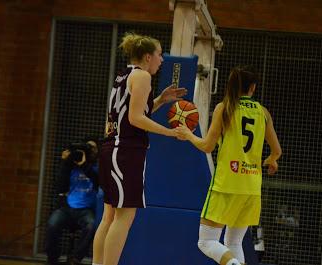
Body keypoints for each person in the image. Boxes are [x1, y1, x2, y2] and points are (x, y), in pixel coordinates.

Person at [92, 32, 187, 265]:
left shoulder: (124, 74)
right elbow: (136, 119)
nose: (162, 59)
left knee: (110, 216)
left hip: (113, 148)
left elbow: (131, 114)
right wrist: (170, 132)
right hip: (125, 151)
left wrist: (161, 101)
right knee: (125, 216)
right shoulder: (143, 76)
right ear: (147, 56)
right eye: (159, 54)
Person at [175, 65, 282, 265]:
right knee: (233, 243)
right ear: (252, 88)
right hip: (251, 188)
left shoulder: (225, 108)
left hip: (227, 185)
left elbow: (207, 146)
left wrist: (188, 134)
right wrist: (269, 161)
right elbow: (277, 151)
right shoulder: (263, 112)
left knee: (206, 242)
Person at [45, 139, 99, 265]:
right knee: (52, 223)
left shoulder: (97, 167)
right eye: (88, 148)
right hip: (67, 209)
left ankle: (75, 259)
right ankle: (52, 259)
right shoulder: (71, 166)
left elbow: (98, 181)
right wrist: (65, 163)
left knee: (91, 225)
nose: (90, 151)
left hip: (87, 210)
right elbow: (60, 187)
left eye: (93, 148)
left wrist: (85, 165)